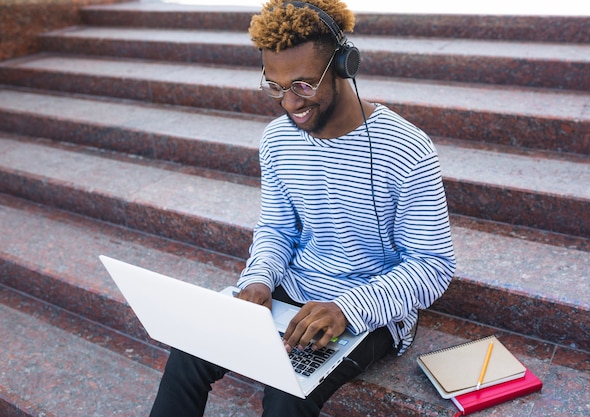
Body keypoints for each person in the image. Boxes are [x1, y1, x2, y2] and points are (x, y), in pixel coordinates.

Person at [149, 1, 456, 416]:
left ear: (344, 66)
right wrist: (257, 280)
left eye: (303, 85)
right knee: (190, 351)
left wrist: (348, 308)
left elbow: (432, 264)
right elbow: (277, 228)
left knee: (287, 392)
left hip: (371, 309)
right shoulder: (277, 140)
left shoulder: (406, 150)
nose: (290, 103)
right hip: (294, 289)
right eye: (275, 87)